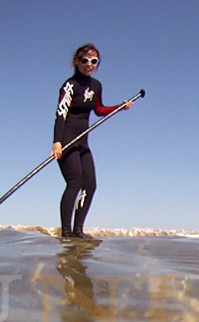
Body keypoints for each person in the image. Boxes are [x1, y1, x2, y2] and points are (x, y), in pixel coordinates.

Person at [52, 44, 132, 238]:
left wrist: (119, 107)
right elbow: (61, 114)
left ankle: (78, 230)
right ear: (76, 62)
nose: (89, 64)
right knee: (75, 182)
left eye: (94, 61)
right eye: (85, 60)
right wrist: (57, 142)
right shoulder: (70, 85)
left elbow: (98, 110)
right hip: (67, 140)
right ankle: (66, 231)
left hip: (83, 142)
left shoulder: (96, 86)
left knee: (90, 184)